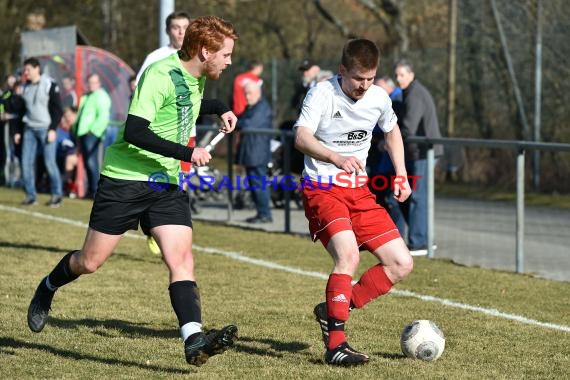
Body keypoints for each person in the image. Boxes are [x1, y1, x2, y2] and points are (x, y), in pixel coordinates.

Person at [27, 16, 240, 367]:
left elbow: (184, 107)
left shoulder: (197, 76)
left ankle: (193, 339)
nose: (229, 61)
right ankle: (48, 286)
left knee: (182, 259)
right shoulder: (159, 74)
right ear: (205, 51)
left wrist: (220, 108)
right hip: (125, 179)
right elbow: (136, 131)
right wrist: (189, 153)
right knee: (89, 262)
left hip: (165, 183)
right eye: (227, 54)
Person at [294, 39, 413, 366]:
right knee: (347, 256)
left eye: (370, 78)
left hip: (358, 190)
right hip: (322, 188)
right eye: (358, 78)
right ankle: (336, 345)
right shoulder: (322, 93)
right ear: (343, 70)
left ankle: (334, 308)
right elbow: (301, 137)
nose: (364, 86)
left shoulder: (377, 97)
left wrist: (401, 173)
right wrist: (335, 156)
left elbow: (392, 132)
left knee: (401, 263)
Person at [394, 59, 443, 256]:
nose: (398, 79)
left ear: (411, 74)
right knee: (415, 196)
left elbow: (408, 128)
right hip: (419, 152)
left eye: (402, 75)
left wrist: (390, 138)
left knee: (418, 197)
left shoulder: (415, 95)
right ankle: (421, 239)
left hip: (425, 152)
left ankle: (420, 242)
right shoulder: (411, 92)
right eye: (396, 75)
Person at [15, 57, 63, 207]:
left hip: (46, 129)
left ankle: (57, 195)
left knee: (49, 163)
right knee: (26, 163)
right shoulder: (26, 87)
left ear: (37, 69)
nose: (25, 72)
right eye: (24, 70)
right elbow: (21, 111)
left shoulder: (49, 84)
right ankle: (30, 196)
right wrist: (17, 131)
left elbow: (57, 109)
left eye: (28, 69)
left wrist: (53, 129)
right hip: (29, 129)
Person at [369, 76, 406, 233]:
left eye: (378, 87)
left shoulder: (395, 101)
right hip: (382, 160)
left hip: (390, 160)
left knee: (393, 199)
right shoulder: (387, 99)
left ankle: (396, 234)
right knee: (382, 196)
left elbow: (394, 129)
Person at [236, 82, 273, 223]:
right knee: (254, 184)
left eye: (249, 93)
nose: (247, 96)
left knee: (259, 184)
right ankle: (261, 213)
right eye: (245, 93)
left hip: (257, 153)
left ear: (258, 92)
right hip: (251, 151)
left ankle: (265, 214)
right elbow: (241, 120)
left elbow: (247, 124)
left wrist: (234, 123)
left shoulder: (262, 108)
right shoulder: (252, 107)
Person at [73, 73, 111, 198]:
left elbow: (103, 116)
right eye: (89, 82)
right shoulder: (87, 96)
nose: (91, 85)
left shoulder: (101, 96)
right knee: (88, 163)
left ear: (99, 83)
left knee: (92, 163)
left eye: (93, 82)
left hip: (93, 134)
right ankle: (91, 190)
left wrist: (93, 131)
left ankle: (95, 191)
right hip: (83, 133)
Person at [135, 11, 190, 84]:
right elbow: (138, 84)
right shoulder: (155, 57)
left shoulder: (199, 56)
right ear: (167, 31)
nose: (181, 32)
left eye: (185, 27)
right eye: (176, 28)